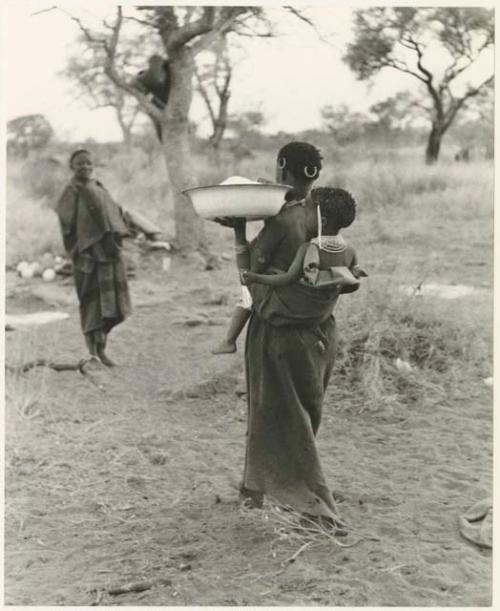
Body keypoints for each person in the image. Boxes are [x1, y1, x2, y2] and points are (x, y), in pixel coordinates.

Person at [226, 190, 365, 533]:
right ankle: (256, 489)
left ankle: (316, 507)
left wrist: (239, 236)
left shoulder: (298, 241)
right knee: (301, 414)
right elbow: (351, 277)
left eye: (308, 209)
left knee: (281, 419)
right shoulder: (345, 249)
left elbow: (262, 278)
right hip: (321, 338)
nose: (301, 212)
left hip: (284, 338)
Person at [212, 141, 323, 354]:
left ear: (282, 166)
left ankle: (229, 341)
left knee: (247, 292)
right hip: (311, 303)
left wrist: (238, 230)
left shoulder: (281, 221)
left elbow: (247, 273)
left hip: (281, 306)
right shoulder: (316, 207)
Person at [55, 149, 131, 366]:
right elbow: (68, 226)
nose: (85, 167)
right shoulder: (70, 192)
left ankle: (102, 350)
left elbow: (115, 212)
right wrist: (86, 244)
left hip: (108, 253)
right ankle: (93, 354)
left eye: (89, 163)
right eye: (80, 164)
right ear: (72, 166)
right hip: (87, 256)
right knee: (91, 303)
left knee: (110, 304)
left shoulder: (97, 187)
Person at [241, 187, 367, 294]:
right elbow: (355, 284)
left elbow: (287, 279)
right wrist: (331, 287)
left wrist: (256, 278)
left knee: (266, 273)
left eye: (306, 212)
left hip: (293, 311)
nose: (302, 215)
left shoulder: (308, 249)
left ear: (322, 221)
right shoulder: (350, 251)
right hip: (321, 312)